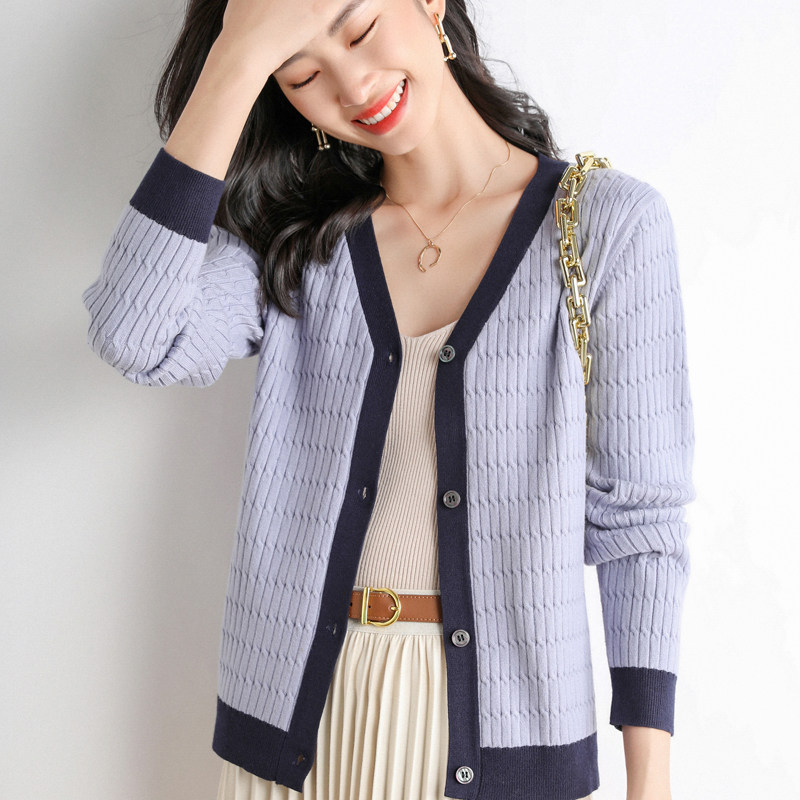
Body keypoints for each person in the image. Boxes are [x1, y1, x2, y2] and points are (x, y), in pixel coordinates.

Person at [81, 0, 696, 797]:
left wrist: (652, 784)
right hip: (295, 727)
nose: (353, 85)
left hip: (500, 737)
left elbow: (640, 526)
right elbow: (135, 336)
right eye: (301, 72)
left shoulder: (605, 226)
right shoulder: (297, 241)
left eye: (361, 28)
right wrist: (237, 57)